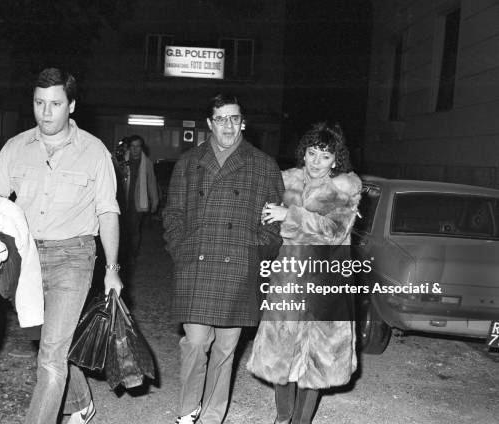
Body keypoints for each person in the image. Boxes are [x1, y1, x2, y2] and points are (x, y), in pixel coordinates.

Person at [0, 67, 123, 424]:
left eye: (55, 103)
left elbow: (107, 212)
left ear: (71, 105)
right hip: (26, 259)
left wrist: (111, 270)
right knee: (49, 343)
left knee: (49, 356)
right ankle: (82, 402)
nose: (46, 112)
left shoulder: (94, 151)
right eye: (39, 102)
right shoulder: (15, 147)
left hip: (73, 256)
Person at [163, 93, 284, 424]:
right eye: (221, 119)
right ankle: (188, 411)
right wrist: (180, 248)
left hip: (239, 266)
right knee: (195, 342)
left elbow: (273, 225)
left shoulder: (263, 165)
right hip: (196, 265)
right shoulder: (189, 162)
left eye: (235, 118)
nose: (229, 126)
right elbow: (173, 214)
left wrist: (255, 252)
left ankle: (213, 416)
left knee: (225, 350)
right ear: (209, 123)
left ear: (243, 121)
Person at [247, 122, 362, 424]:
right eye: (312, 153)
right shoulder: (285, 181)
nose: (316, 162)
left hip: (325, 283)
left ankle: (300, 421)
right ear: (304, 153)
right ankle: (283, 416)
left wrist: (291, 216)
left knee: (316, 359)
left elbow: (333, 231)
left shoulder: (346, 188)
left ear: (336, 160)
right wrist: (274, 218)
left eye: (325, 157)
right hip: (287, 278)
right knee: (280, 353)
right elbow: (266, 221)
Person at [122, 135, 159, 262]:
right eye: (132, 146)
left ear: (142, 148)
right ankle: (122, 253)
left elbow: (151, 182)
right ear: (129, 147)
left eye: (138, 146)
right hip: (121, 202)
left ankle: (132, 254)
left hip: (137, 204)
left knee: (134, 230)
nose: (135, 149)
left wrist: (155, 200)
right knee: (121, 230)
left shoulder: (147, 162)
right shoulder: (121, 160)